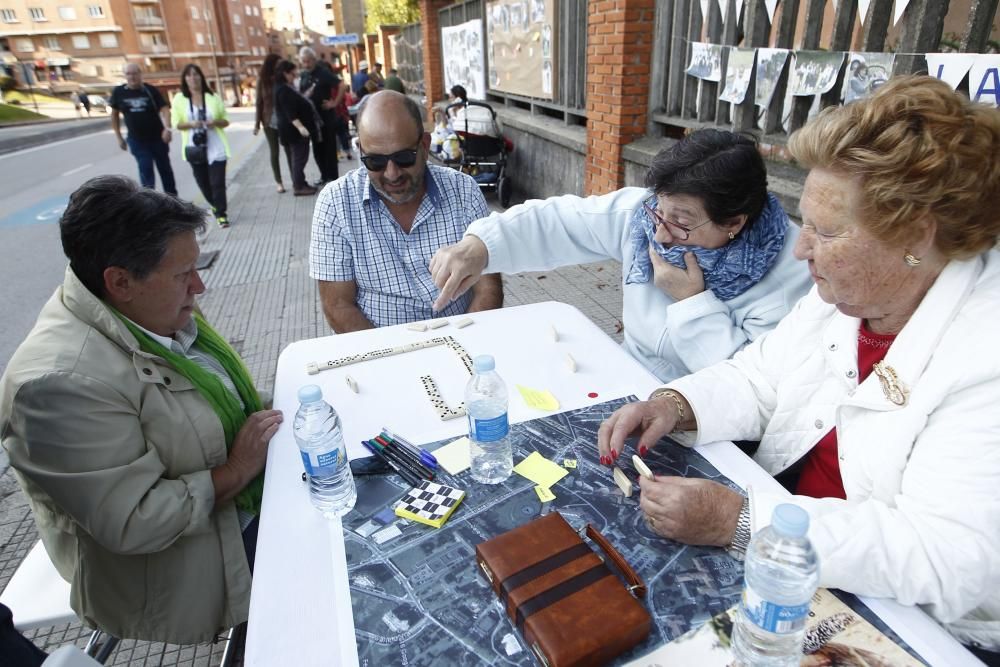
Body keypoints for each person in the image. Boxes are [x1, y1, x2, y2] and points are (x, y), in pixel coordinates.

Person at [595, 77, 1000, 661]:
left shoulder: (984, 357)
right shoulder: (850, 292)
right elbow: (759, 376)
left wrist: (739, 520)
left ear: (914, 237)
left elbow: (942, 556)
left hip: (917, 622)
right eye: (803, 222)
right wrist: (674, 404)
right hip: (786, 549)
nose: (801, 248)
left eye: (827, 231)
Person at [0, 175, 282, 644]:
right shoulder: (56, 385)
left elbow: (217, 399)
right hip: (168, 566)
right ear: (120, 281)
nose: (200, 286)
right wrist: (236, 470)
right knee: (330, 557)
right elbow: (134, 521)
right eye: (182, 274)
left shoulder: (147, 312)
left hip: (226, 510)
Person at [431, 129, 811, 382]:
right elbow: (563, 221)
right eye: (659, 210)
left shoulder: (790, 273)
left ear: (734, 223)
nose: (660, 233)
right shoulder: (644, 218)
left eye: (682, 222)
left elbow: (748, 384)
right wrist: (481, 245)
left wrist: (694, 305)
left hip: (703, 419)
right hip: (627, 376)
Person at [309, 90, 503, 332]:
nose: (392, 174)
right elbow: (337, 305)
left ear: (425, 144)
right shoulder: (336, 203)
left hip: (463, 337)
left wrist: (465, 344)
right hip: (382, 349)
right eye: (375, 161)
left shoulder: (463, 190)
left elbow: (488, 287)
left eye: (403, 157)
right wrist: (392, 359)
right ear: (360, 150)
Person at [171, 64, 232, 228]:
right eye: (189, 75)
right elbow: (176, 124)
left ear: (201, 77)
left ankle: (221, 214)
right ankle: (214, 205)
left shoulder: (213, 96)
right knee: (204, 183)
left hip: (216, 146)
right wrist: (192, 124)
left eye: (196, 74)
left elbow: (226, 120)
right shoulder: (179, 99)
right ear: (184, 79)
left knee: (217, 182)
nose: (193, 78)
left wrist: (214, 122)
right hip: (194, 148)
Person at [110, 63, 177, 196]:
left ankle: (173, 200)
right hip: (137, 140)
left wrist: (167, 128)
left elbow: (164, 109)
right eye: (128, 74)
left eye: (135, 73)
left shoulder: (150, 90)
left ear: (140, 74)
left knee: (165, 170)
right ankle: (149, 203)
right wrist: (119, 137)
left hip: (158, 139)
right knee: (145, 170)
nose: (132, 76)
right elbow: (114, 114)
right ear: (125, 76)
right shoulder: (119, 92)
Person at [273, 59, 321, 197]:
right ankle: (298, 186)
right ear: (285, 73)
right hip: (294, 132)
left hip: (292, 130)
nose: (294, 77)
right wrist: (301, 127)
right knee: (299, 159)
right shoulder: (283, 90)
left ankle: (301, 182)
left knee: (299, 158)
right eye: (292, 74)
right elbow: (290, 113)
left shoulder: (284, 87)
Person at [298, 47, 341, 185]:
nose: (306, 64)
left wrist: (334, 103)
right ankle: (323, 175)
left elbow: (342, 85)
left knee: (329, 148)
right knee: (317, 150)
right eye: (304, 61)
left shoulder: (323, 73)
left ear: (314, 60)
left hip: (326, 117)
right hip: (312, 120)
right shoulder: (304, 75)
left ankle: (333, 179)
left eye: (309, 61)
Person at [254, 53, 286, 193]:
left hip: (284, 119)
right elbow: (259, 103)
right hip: (268, 120)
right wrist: (256, 124)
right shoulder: (262, 80)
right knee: (274, 152)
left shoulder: (282, 78)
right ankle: (279, 182)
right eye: (277, 64)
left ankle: (296, 181)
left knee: (289, 150)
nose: (279, 67)